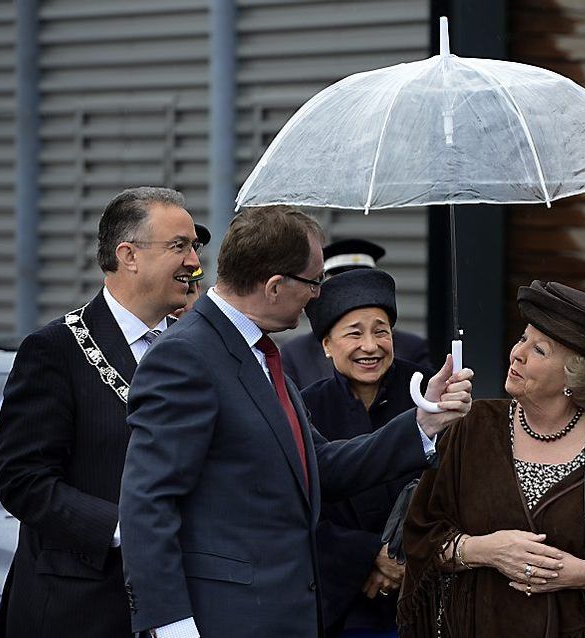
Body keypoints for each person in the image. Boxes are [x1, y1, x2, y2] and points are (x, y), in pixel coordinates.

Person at [118, 205, 473, 637]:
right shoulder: (185, 357)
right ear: (274, 286)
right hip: (223, 621)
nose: (318, 295)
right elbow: (148, 503)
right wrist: (171, 626)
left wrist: (424, 422)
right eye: (314, 282)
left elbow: (317, 465)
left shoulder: (263, 359)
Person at [399, 280, 585, 637]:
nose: (517, 354)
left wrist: (583, 574)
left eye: (539, 350)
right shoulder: (474, 425)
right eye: (522, 339)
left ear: (576, 377)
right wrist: (485, 550)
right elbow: (420, 539)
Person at [0, 186, 201, 638]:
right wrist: (130, 528)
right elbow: (23, 479)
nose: (194, 262)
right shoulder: (55, 349)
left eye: (195, 247)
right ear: (128, 255)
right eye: (179, 246)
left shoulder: (195, 350)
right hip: (79, 609)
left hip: (185, 603)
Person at [301, 268, 434, 636]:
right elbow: (298, 508)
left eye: (381, 331)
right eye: (354, 333)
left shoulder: (427, 394)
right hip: (343, 598)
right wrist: (367, 557)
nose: (371, 346)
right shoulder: (306, 407)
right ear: (326, 344)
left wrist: (405, 557)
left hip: (425, 589)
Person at [281, 238, 430, 387]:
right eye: (342, 283)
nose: (369, 347)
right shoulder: (295, 353)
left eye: (364, 282)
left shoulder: (412, 348)